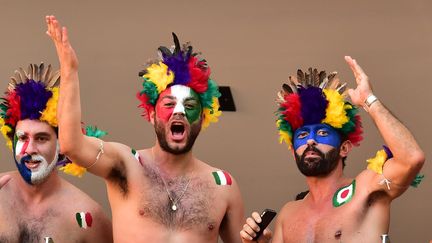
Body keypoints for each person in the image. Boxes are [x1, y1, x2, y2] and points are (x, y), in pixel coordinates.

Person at [46, 15, 245, 243]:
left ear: (202, 118)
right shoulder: (126, 165)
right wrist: (69, 70)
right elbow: (71, 144)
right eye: (169, 104)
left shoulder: (222, 186)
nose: (179, 112)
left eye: (189, 106)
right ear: (151, 115)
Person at [240, 57, 425, 242]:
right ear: (292, 151)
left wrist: (368, 100)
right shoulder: (288, 214)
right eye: (302, 135)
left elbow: (411, 158)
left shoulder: (367, 189)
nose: (311, 140)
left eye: (321, 132)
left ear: (344, 148)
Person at [0, 63, 113, 242]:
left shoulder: (87, 214)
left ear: (61, 145)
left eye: (41, 138)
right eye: (22, 138)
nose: (30, 149)